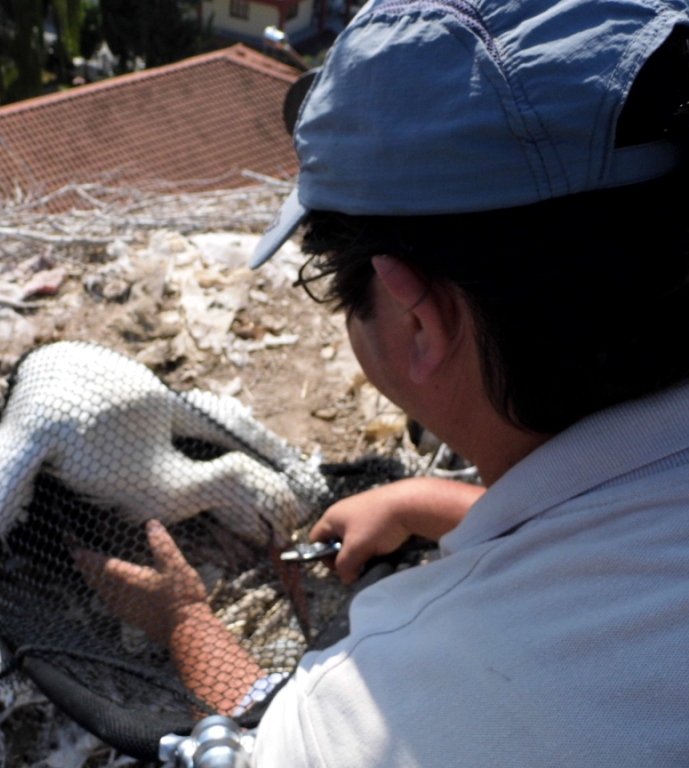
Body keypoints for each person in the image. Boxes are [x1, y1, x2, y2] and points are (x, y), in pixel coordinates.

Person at [75, 0, 689, 763]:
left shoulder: (386, 713)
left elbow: (248, 745)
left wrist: (185, 622)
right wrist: (425, 501)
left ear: (416, 320)